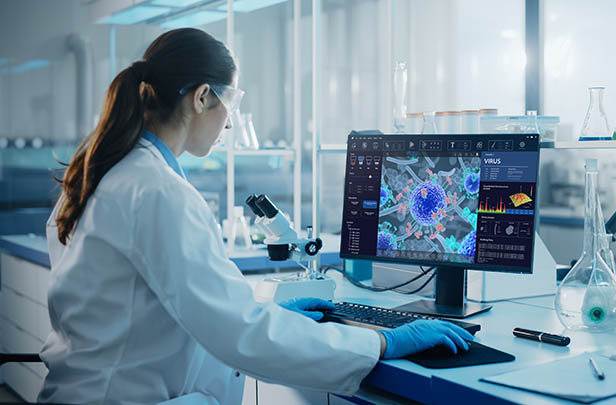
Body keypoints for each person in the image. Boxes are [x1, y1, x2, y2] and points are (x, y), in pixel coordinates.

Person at [39, 28, 473, 404]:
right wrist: (382, 340)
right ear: (202, 97)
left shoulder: (101, 171)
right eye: (232, 101)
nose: (230, 122)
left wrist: (279, 317)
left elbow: (170, 311)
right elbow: (240, 334)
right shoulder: (157, 191)